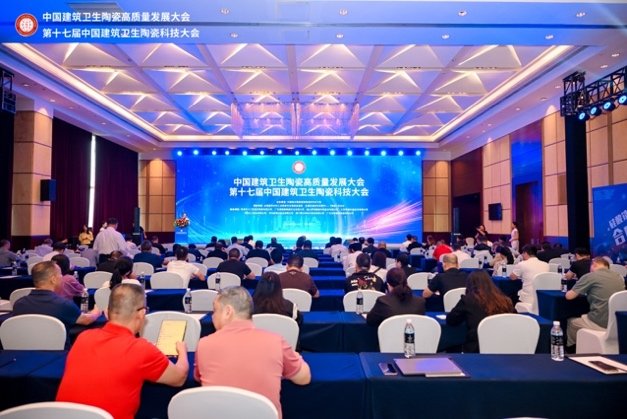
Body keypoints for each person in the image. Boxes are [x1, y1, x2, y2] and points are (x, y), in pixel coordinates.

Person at [56, 284, 189, 419]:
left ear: (107, 312)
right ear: (141, 314)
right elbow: (179, 378)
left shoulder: (83, 337)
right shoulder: (141, 349)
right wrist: (182, 350)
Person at [194, 286, 311, 418]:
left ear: (228, 312)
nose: (212, 317)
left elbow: (198, 377)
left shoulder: (204, 344)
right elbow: (303, 378)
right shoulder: (275, 341)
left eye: (215, 311)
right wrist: (297, 357)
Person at [12, 262, 100, 344]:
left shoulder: (19, 304)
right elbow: (86, 320)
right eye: (60, 274)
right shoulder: (63, 305)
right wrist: (96, 311)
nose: (62, 277)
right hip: (60, 352)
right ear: (53, 279)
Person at [446, 270, 515, 352]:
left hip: (477, 348)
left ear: (469, 284)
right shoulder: (505, 300)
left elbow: (451, 320)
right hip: (505, 346)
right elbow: (515, 318)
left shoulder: (468, 300)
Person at [565, 257, 625, 348]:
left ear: (594, 265)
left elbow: (569, 296)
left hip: (600, 322)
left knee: (572, 322)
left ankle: (572, 349)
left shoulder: (590, 276)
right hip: (619, 322)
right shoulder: (619, 277)